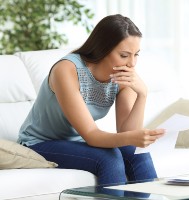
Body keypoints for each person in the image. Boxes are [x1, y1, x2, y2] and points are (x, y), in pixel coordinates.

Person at [18, 14, 165, 185]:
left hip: (76, 142)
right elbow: (92, 135)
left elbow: (128, 135)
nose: (132, 63)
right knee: (109, 157)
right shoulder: (67, 70)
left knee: (138, 154)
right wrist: (132, 138)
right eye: (124, 55)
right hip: (39, 143)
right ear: (103, 49)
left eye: (136, 55)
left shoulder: (125, 78)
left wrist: (142, 94)